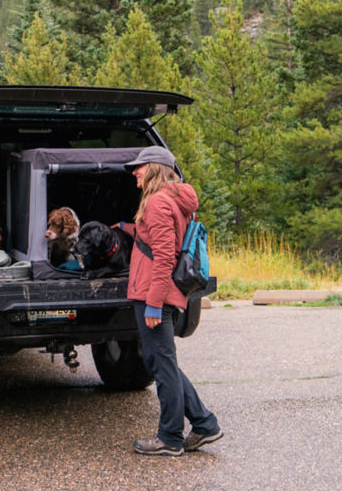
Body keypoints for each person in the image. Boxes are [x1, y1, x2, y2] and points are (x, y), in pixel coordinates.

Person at [118, 146, 223, 457]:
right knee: (163, 362)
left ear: (154, 168)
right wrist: (125, 228)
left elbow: (164, 256)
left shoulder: (158, 202)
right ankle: (204, 424)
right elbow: (158, 237)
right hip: (161, 294)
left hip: (156, 295)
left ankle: (170, 437)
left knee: (160, 364)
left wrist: (153, 302)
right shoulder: (172, 199)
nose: (134, 172)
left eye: (139, 167)